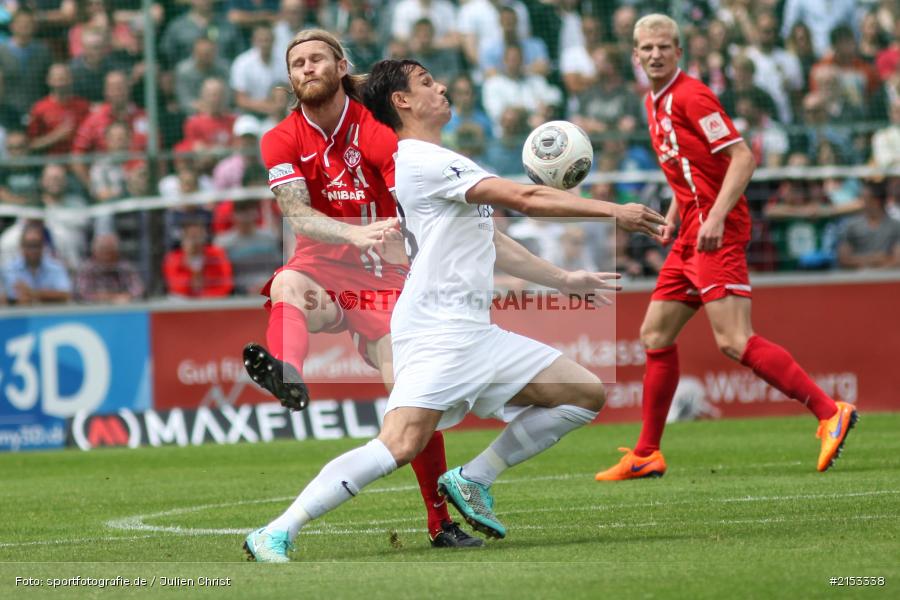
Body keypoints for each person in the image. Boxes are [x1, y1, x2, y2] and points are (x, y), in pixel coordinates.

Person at [242, 57, 665, 562]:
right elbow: (526, 198)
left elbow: (491, 237)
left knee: (582, 393)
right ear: (402, 102)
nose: (441, 87)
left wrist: (563, 278)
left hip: (473, 331)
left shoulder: (438, 161)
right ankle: (277, 530)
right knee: (397, 445)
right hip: (436, 332)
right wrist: (614, 210)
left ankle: (472, 478)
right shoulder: (422, 160)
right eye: (426, 82)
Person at [240, 29, 480, 549]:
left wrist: (412, 242)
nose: (307, 68)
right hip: (324, 263)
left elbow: (410, 195)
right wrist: (352, 231)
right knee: (288, 283)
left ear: (340, 65)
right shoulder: (279, 137)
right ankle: (287, 373)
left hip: (384, 275)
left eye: (316, 59)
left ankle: (440, 523)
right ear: (289, 77)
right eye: (297, 63)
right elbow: (297, 214)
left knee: (410, 397)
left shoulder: (373, 129)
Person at [594, 14, 858, 482]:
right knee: (655, 334)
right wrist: (676, 217)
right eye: (646, 48)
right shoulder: (652, 101)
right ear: (635, 56)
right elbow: (689, 170)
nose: (654, 54)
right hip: (692, 230)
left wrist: (714, 216)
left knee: (734, 341)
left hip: (717, 229)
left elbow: (742, 156)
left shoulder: (691, 95)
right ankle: (647, 453)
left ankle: (828, 411)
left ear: (679, 52)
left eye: (663, 46)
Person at [3, 222, 72, 305]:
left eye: (36, 245)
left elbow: (65, 295)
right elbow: (10, 297)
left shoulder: (56, 267)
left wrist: (33, 293)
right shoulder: (9, 269)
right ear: (22, 247)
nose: (33, 250)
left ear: (43, 246)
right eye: (29, 245)